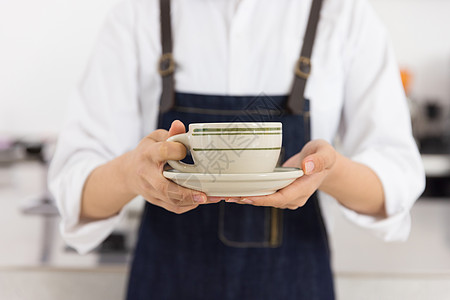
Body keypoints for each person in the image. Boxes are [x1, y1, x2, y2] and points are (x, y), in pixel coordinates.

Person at [48, 0, 425, 299]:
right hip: (168, 280)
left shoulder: (344, 14)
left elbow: (394, 184)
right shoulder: (138, 14)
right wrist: (131, 173)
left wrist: (330, 170)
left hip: (294, 284)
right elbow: (75, 191)